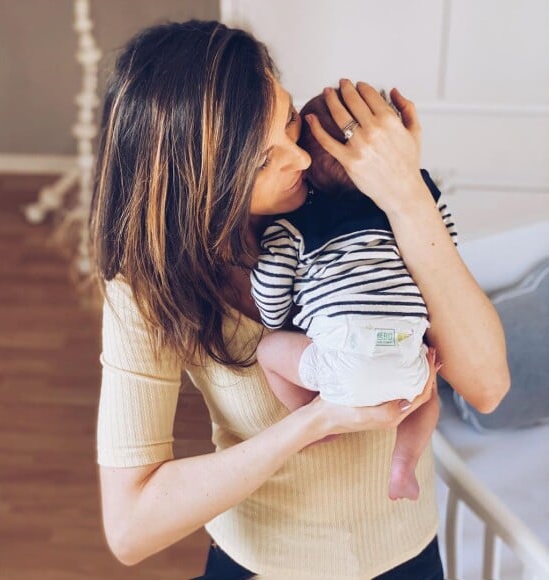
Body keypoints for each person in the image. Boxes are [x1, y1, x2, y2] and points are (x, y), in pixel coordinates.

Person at [90, 20, 510, 580]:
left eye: (288, 119)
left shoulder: (359, 212)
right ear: (198, 182)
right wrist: (314, 422)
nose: (303, 160)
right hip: (261, 564)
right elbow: (130, 527)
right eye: (264, 160)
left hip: (408, 555)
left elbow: (488, 387)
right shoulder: (147, 289)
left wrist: (407, 195)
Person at [251, 90, 455, 502]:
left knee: (268, 349)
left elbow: (272, 295)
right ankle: (403, 463)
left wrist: (279, 323)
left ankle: (310, 419)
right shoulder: (415, 197)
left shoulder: (296, 221)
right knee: (429, 397)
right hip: (407, 353)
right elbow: (447, 249)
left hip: (341, 356)